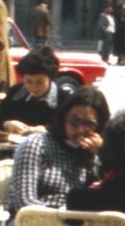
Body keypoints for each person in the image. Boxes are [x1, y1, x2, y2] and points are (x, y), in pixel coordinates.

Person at [8, 85, 108, 214]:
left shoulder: (95, 153)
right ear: (64, 118)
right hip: (37, 222)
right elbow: (25, 202)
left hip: (82, 222)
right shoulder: (37, 145)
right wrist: (62, 218)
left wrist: (101, 155)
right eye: (74, 121)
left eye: (89, 124)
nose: (80, 130)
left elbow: (108, 197)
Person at [0, 46, 61, 139]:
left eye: (39, 82)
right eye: (29, 81)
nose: (34, 87)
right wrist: (6, 124)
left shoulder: (63, 98)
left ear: (50, 78)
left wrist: (48, 130)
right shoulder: (15, 93)